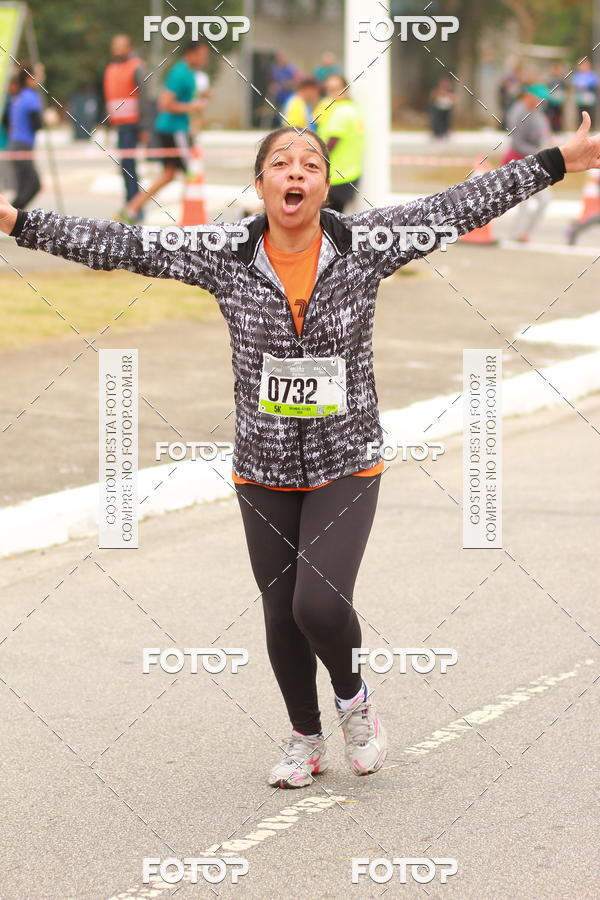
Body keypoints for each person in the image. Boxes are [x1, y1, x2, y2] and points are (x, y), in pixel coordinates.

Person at [0, 117, 597, 788]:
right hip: (263, 466)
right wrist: (14, 219)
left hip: (347, 457)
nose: (295, 172)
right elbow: (122, 243)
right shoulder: (224, 252)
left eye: (309, 164)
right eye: (280, 163)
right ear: (260, 185)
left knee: (318, 604)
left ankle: (353, 701)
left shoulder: (366, 244)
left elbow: (456, 206)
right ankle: (304, 738)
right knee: (280, 611)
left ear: (323, 186)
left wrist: (553, 161)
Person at [122, 41, 209, 223]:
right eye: (201, 54)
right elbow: (165, 103)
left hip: (176, 129)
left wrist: (201, 98)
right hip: (174, 130)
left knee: (168, 175)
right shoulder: (180, 73)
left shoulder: (190, 74)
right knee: (191, 172)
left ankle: (131, 209)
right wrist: (193, 106)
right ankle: (192, 223)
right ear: (190, 54)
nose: (204, 58)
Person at [103, 34, 153, 220]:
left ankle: (134, 207)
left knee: (129, 167)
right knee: (125, 167)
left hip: (133, 125)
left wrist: (145, 127)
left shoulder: (136, 66)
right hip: (120, 126)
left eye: (121, 45)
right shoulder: (112, 68)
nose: (117, 49)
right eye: (115, 45)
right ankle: (132, 205)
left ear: (129, 47)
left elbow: (144, 97)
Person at [502, 84, 553, 242]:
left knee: (545, 199)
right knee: (523, 200)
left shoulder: (536, 111)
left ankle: (524, 233)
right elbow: (518, 143)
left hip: (534, 160)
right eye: (539, 99)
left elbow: (544, 130)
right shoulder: (518, 113)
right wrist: (541, 152)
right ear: (528, 96)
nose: (541, 102)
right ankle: (516, 234)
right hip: (518, 161)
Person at [316, 73, 364, 213]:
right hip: (349, 174)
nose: (332, 93)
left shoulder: (341, 112)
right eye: (329, 89)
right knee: (334, 221)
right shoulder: (353, 109)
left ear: (346, 89)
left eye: (336, 88)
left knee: (324, 222)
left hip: (336, 178)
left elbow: (329, 147)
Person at [7, 63, 44, 210]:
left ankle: (13, 220)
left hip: (16, 144)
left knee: (23, 189)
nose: (42, 76)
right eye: (39, 73)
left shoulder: (19, 96)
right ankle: (10, 218)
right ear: (30, 79)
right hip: (22, 146)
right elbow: (37, 124)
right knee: (33, 186)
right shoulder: (31, 97)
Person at [268, 52, 299, 127]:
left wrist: (285, 84)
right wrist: (272, 87)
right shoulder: (275, 69)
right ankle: (279, 127)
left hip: (288, 96)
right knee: (278, 113)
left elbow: (297, 81)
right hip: (278, 96)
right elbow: (271, 81)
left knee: (287, 112)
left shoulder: (291, 69)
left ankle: (287, 127)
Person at [572, 59, 598, 129]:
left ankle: (590, 129)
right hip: (580, 100)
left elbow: (595, 84)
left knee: (590, 115)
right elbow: (575, 84)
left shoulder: (591, 74)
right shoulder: (577, 75)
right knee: (580, 116)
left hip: (589, 100)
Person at [546, 62, 567, 133]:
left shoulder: (562, 80)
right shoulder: (549, 80)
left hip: (559, 103)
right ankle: (552, 131)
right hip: (551, 103)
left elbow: (565, 90)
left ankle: (559, 131)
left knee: (559, 118)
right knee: (551, 118)